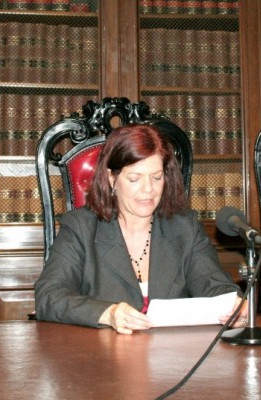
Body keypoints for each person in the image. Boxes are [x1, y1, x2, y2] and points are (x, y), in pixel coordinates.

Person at [34, 124, 246, 334]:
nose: (148, 190)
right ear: (112, 179)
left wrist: (234, 305)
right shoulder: (81, 228)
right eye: (135, 179)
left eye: (156, 177)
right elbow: (50, 296)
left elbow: (215, 286)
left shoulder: (185, 228)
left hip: (171, 361)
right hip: (103, 359)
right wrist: (107, 313)